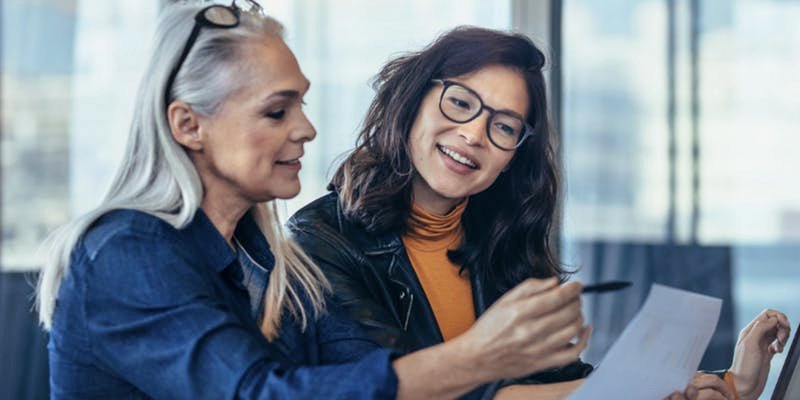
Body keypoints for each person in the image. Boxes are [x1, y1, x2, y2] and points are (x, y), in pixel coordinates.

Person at [36, 2, 596, 399]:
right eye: (278, 111)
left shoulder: (265, 260)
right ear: (189, 126)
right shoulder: (127, 251)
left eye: (302, 105)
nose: (306, 129)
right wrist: (480, 356)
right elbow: (260, 394)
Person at [287, 26, 791, 399]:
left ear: (513, 158)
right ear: (412, 101)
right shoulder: (318, 244)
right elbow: (405, 389)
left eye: (504, 127)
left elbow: (555, 383)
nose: (474, 134)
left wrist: (724, 383)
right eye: (460, 102)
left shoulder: (498, 239)